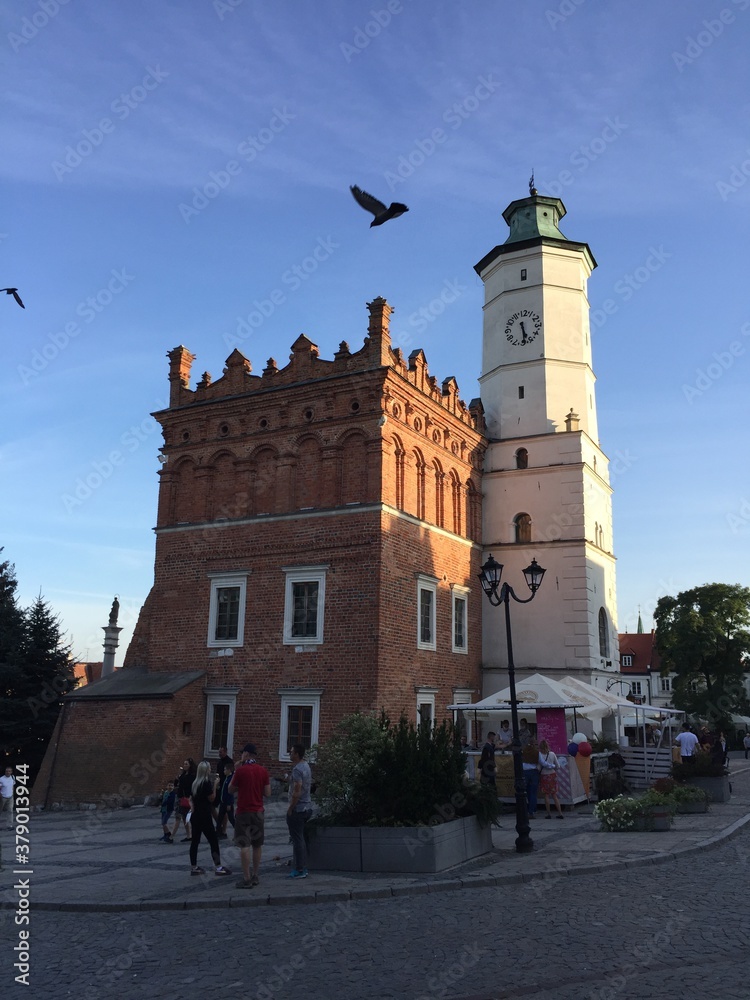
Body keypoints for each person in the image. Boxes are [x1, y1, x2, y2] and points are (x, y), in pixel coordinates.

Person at [229, 743, 271, 889]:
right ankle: (255, 875)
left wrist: (235, 772)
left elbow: (230, 790)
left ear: (246, 754)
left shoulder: (241, 771)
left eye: (242, 753)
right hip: (258, 811)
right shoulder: (263, 771)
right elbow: (268, 793)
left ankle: (246, 878)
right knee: (257, 845)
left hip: (243, 811)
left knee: (244, 845)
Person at [188, 760, 231, 877]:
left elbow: (191, 798)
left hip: (195, 815)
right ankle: (218, 866)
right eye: (209, 768)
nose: (211, 770)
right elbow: (211, 798)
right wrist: (215, 785)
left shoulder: (195, 783)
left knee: (195, 841)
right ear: (206, 770)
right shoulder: (206, 783)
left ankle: (194, 867)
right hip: (204, 815)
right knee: (213, 840)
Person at [286, 743, 313, 879]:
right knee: (301, 838)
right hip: (307, 806)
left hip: (299, 808)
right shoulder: (306, 766)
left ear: (296, 754)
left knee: (297, 839)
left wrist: (291, 808)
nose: (290, 754)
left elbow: (297, 791)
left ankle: (300, 868)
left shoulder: (297, 769)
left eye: (291, 752)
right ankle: (302, 865)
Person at [173, 758, 196, 842]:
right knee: (184, 817)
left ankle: (172, 836)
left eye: (186, 764)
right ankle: (189, 835)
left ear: (190, 765)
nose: (184, 765)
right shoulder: (183, 775)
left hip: (188, 798)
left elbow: (191, 787)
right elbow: (176, 784)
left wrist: (190, 796)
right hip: (181, 798)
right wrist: (178, 776)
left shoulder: (192, 776)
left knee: (188, 817)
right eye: (184, 764)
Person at [538, 740, 564, 818]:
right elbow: (558, 766)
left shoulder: (539, 755)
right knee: (554, 795)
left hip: (544, 775)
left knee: (546, 795)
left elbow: (539, 768)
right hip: (552, 775)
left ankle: (548, 813)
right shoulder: (552, 754)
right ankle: (560, 813)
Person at [214, 747, 234, 833]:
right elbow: (218, 774)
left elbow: (230, 792)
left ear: (225, 752)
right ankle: (219, 830)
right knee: (219, 815)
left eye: (221, 752)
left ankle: (224, 830)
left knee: (230, 817)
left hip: (226, 795)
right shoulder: (219, 763)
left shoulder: (229, 762)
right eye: (219, 752)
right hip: (220, 790)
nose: (219, 753)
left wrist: (229, 803)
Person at [522, 743, 539, 818]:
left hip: (525, 772)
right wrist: (552, 765)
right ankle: (532, 810)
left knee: (526, 792)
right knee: (533, 792)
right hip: (534, 772)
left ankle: (527, 809)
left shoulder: (523, 752)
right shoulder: (536, 752)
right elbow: (542, 761)